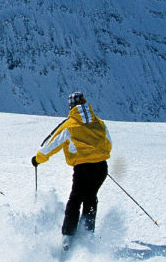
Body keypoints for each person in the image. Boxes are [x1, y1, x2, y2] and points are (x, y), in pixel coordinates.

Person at [32, 92, 112, 249]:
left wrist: (38, 159)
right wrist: (96, 155)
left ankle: (68, 238)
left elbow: (51, 144)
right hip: (101, 167)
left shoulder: (69, 125)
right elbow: (108, 144)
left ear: (71, 107)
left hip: (83, 169)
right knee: (90, 198)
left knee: (75, 200)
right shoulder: (100, 123)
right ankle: (87, 236)